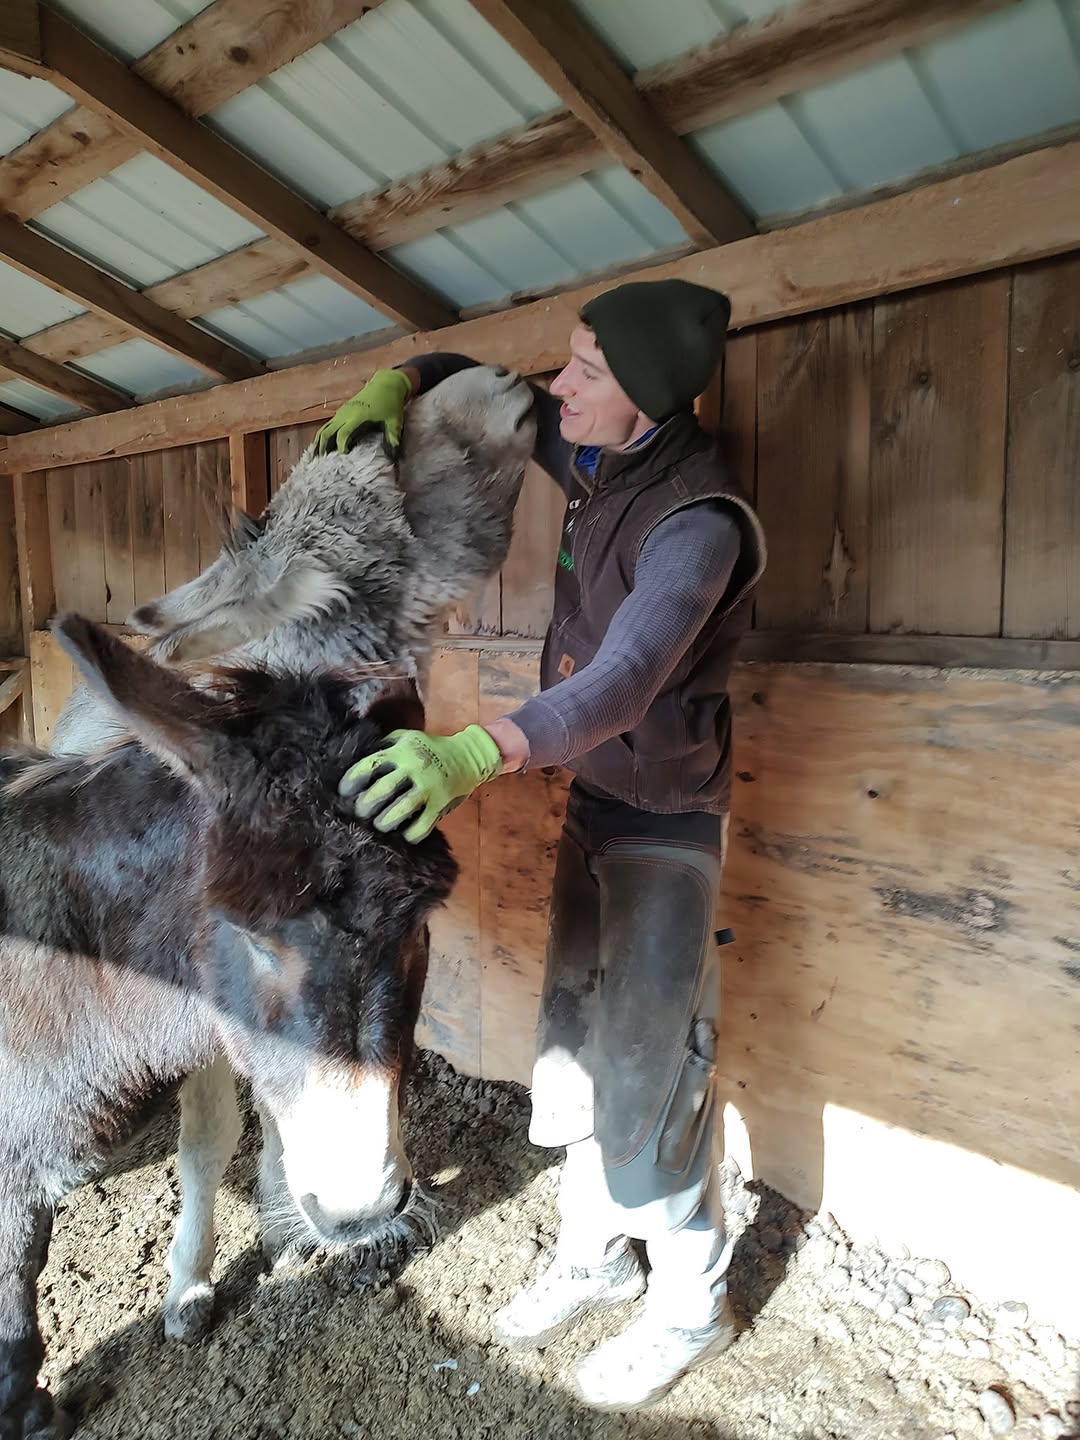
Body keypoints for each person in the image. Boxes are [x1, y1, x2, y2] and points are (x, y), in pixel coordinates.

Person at [316, 279, 767, 1411]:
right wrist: (397, 380)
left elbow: (621, 683)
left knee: (649, 1073)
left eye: (586, 374)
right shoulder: (601, 460)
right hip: (598, 807)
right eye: (571, 361)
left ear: (648, 400)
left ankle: (690, 1306)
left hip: (666, 824)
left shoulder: (698, 523)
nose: (556, 387)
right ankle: (592, 1255)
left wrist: (473, 754)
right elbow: (490, 382)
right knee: (568, 1051)